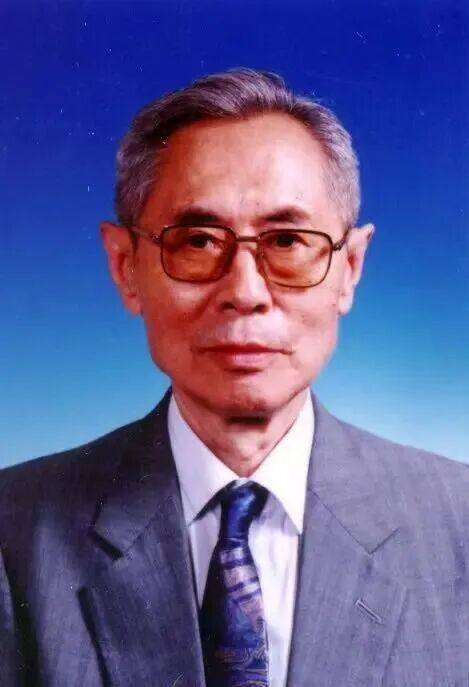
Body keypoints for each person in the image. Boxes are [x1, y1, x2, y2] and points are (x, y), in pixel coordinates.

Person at [1, 68, 468, 687]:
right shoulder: (13, 533)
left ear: (350, 268)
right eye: (197, 241)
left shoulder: (459, 524)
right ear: (125, 267)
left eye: (288, 241)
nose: (245, 292)